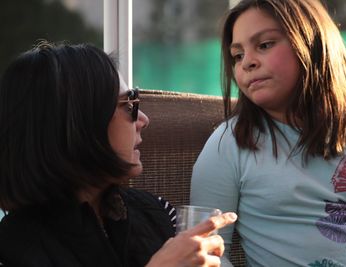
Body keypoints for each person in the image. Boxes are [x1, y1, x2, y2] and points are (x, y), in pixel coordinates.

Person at [190, 0, 346, 266]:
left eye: (264, 45)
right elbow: (206, 254)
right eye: (237, 55)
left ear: (311, 43)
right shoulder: (227, 145)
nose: (247, 63)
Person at [0, 41, 237, 267]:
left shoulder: (156, 212)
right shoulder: (14, 247)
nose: (144, 119)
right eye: (128, 105)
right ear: (80, 124)